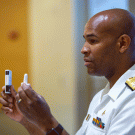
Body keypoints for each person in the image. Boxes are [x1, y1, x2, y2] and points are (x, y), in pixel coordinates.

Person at [1, 8, 135, 135]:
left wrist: (46, 121)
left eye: (93, 40)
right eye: (85, 40)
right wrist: (25, 119)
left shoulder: (131, 101)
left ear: (122, 43)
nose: (83, 49)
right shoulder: (102, 96)